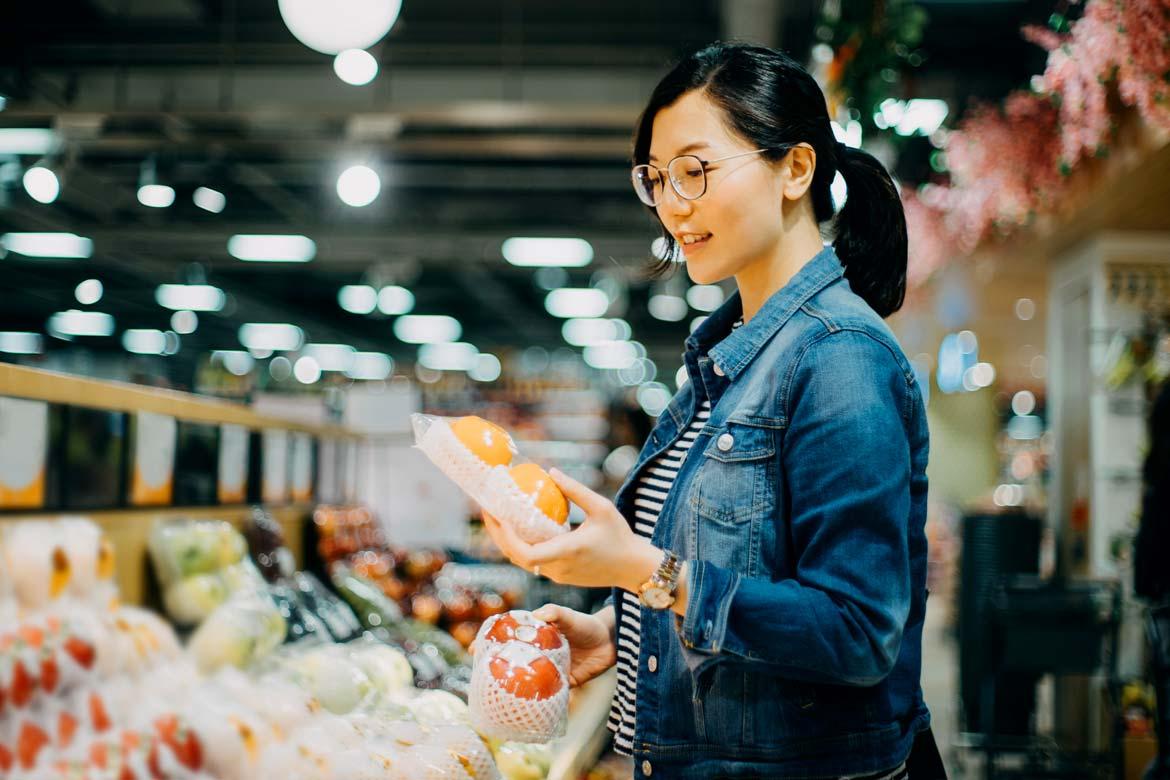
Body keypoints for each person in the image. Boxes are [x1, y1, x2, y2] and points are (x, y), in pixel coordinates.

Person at [483, 42, 940, 779]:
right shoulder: (725, 357)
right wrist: (617, 630)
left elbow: (857, 632)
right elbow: (737, 574)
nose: (671, 202)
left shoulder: (839, 357)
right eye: (657, 178)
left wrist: (649, 575)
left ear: (795, 168)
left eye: (695, 170)